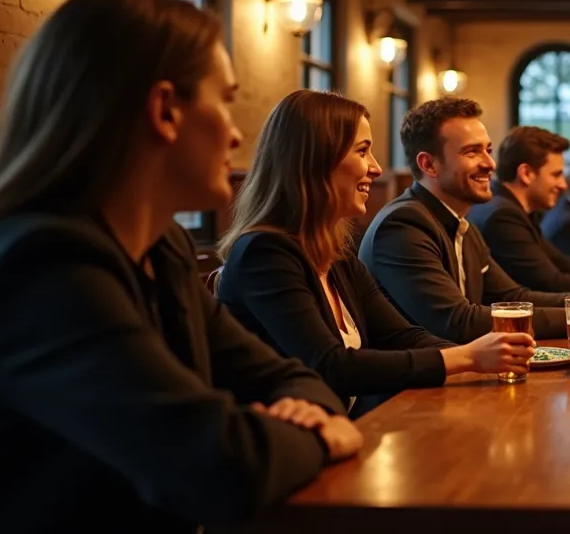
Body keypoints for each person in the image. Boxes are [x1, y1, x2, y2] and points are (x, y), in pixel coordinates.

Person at [0, 0, 360, 531]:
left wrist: (300, 413)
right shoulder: (42, 267)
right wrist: (321, 433)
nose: (235, 134)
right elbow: (218, 465)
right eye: (225, 100)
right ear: (164, 111)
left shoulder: (165, 247)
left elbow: (289, 377)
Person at [218, 92, 537, 418]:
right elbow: (330, 365)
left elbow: (401, 335)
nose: (376, 168)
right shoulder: (264, 253)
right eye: (362, 151)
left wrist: (485, 357)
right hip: (285, 451)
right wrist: (468, 358)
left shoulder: (337, 253)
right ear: (316, 161)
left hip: (347, 431)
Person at [359, 98, 570, 344]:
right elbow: (457, 322)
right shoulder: (403, 225)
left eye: (488, 149)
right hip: (407, 397)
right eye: (472, 152)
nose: (490, 163)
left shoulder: (461, 223)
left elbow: (513, 296)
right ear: (429, 165)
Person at [467, 126, 570, 293]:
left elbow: (562, 262)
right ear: (526, 174)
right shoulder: (503, 215)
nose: (563, 185)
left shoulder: (515, 208)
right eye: (556, 175)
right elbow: (550, 283)